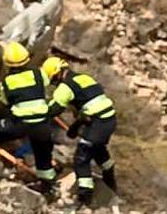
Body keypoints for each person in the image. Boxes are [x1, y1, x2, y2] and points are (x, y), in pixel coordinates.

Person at [0, 41, 58, 195]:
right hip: (43, 124)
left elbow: (4, 102)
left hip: (21, 123)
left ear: (7, 64)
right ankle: (48, 187)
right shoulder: (38, 73)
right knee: (43, 155)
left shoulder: (7, 82)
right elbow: (46, 86)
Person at [46, 57, 118, 203]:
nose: (54, 84)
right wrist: (76, 127)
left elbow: (53, 110)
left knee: (81, 159)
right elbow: (87, 107)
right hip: (109, 119)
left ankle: (85, 199)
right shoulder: (84, 78)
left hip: (98, 122)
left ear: (57, 74)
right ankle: (111, 187)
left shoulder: (65, 87)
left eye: (53, 81)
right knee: (98, 150)